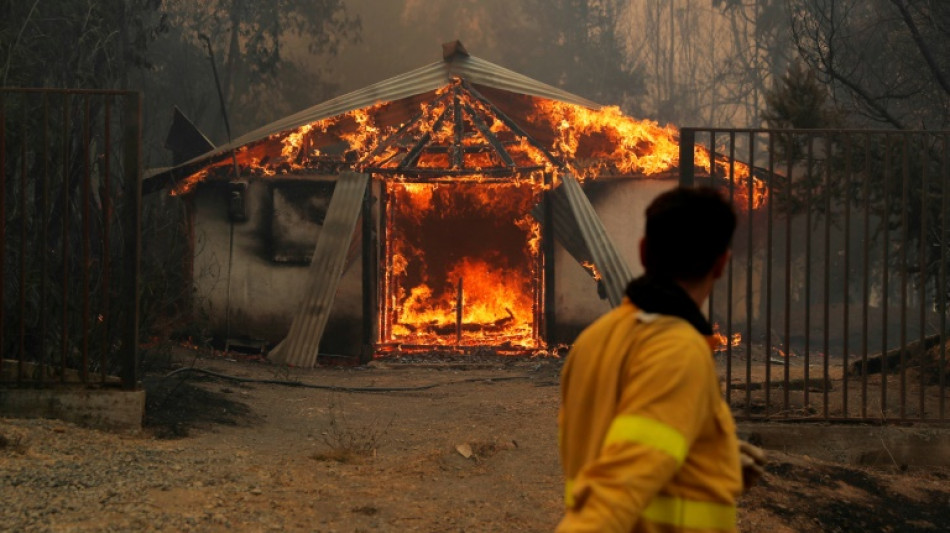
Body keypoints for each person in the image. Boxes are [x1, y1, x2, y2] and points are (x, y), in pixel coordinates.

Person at [557, 186, 764, 532]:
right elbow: (617, 489)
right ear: (721, 264)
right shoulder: (679, 351)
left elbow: (622, 441)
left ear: (643, 252)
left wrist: (714, 458)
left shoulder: (592, 341)